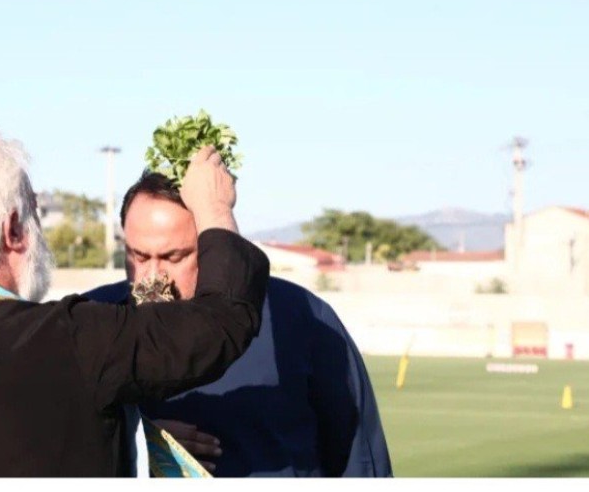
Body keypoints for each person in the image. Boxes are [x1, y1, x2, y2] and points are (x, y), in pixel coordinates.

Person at [0, 129, 270, 477]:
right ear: (14, 229)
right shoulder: (70, 338)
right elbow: (222, 321)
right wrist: (215, 209)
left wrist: (136, 435)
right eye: (35, 211)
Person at [86, 171, 393, 478]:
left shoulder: (302, 317)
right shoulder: (90, 320)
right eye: (137, 255)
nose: (152, 276)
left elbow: (359, 458)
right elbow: (48, 439)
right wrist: (133, 444)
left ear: (215, 244)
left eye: (174, 256)